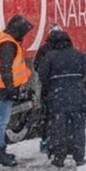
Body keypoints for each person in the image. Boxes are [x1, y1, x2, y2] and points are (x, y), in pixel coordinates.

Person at [0, 14, 33, 167]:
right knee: (1, 121)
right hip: (2, 89)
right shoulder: (8, 44)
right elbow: (6, 69)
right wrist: (11, 87)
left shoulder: (4, 39)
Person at [37, 28, 86, 167]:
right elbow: (84, 71)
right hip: (77, 95)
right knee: (78, 126)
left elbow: (43, 76)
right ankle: (79, 156)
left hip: (58, 97)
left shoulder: (50, 57)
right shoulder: (78, 54)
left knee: (59, 127)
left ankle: (59, 157)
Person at [34, 24, 63, 156]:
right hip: (63, 89)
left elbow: (37, 67)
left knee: (48, 116)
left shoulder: (44, 50)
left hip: (49, 89)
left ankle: (47, 142)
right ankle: (61, 143)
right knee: (62, 117)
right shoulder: (67, 49)